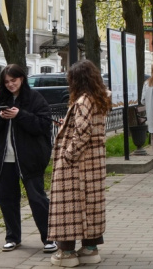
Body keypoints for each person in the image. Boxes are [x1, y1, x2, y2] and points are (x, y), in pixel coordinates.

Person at [0, 64, 57, 254]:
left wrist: (20, 115)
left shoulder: (34, 99)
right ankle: (12, 237)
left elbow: (43, 126)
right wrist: (0, 117)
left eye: (13, 81)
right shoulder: (1, 100)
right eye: (6, 82)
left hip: (30, 159)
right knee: (6, 199)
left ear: (21, 79)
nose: (10, 85)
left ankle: (49, 238)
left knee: (37, 199)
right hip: (5, 159)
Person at [48, 60, 109, 267]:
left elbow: (83, 132)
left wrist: (68, 156)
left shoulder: (83, 100)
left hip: (78, 165)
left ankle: (66, 253)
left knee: (69, 206)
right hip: (94, 163)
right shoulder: (98, 98)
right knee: (91, 206)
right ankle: (90, 248)